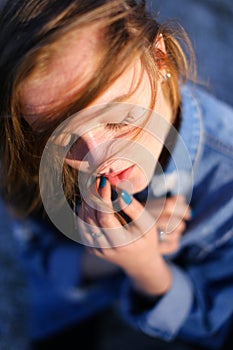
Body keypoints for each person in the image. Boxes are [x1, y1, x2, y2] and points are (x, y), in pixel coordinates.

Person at [0, 1, 233, 349]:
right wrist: (100, 259)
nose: (98, 158)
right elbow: (37, 259)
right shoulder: (31, 155)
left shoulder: (226, 176)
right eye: (61, 137)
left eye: (117, 119)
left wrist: (146, 267)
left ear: (159, 58)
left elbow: (219, 324)